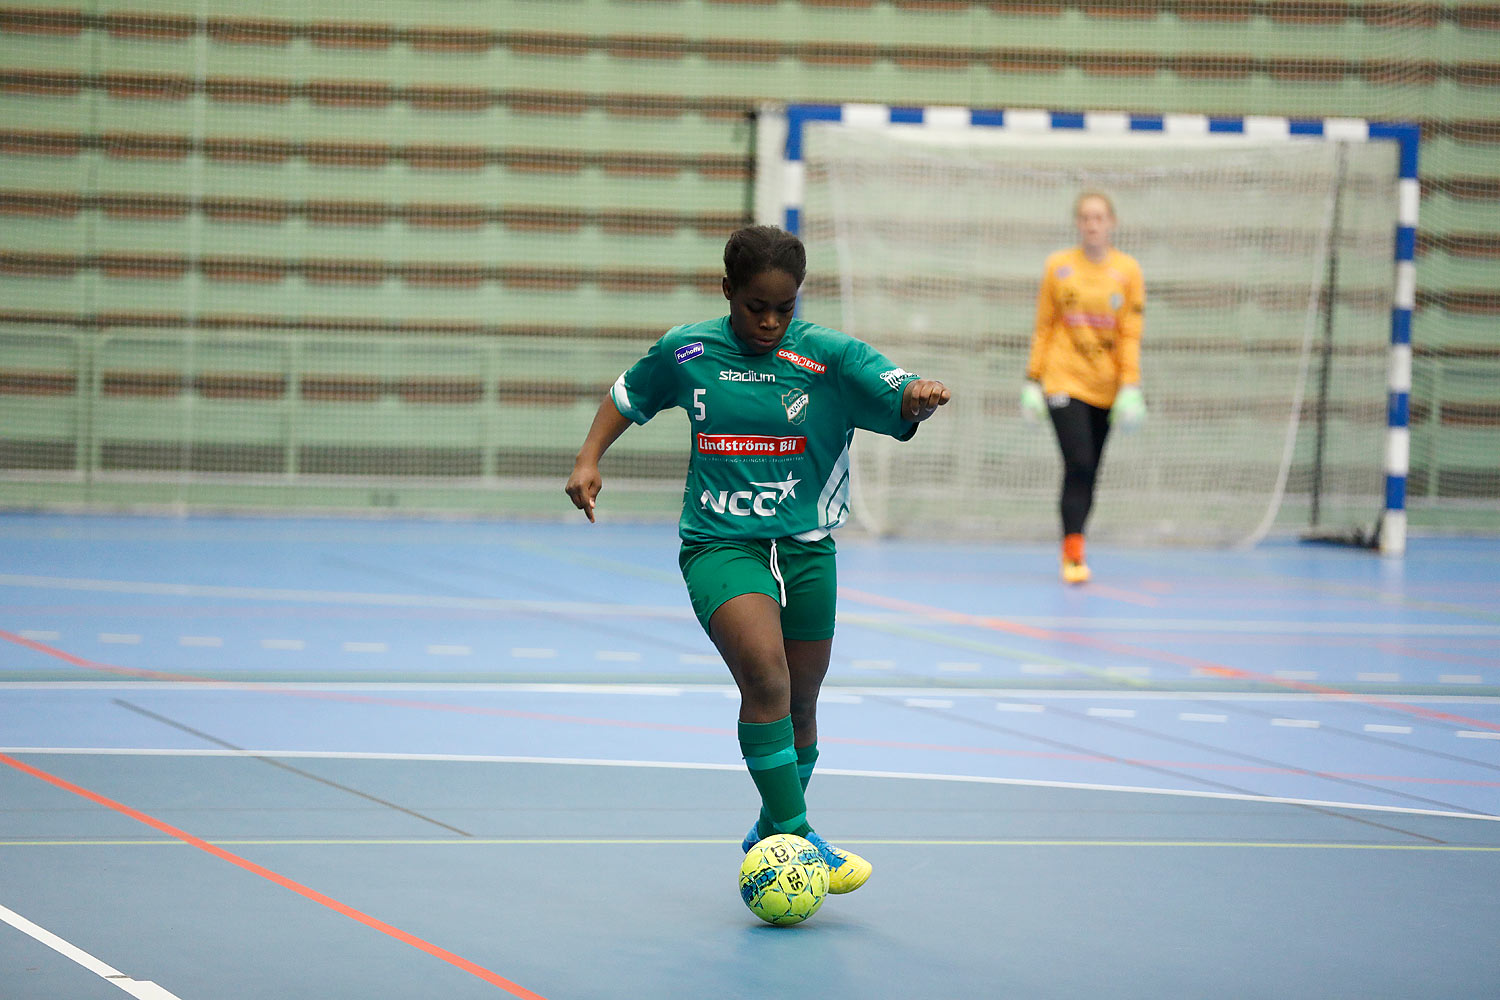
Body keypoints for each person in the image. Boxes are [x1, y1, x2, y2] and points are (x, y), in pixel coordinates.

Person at [565, 225, 950, 895]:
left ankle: (771, 825)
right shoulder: (687, 350)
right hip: (721, 542)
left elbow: (897, 390)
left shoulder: (828, 356)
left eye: (784, 307)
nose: (770, 321)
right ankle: (798, 841)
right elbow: (627, 395)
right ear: (728, 293)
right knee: (766, 678)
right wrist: (588, 458)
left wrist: (916, 397)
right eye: (755, 307)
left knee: (802, 702)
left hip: (806, 549)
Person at [1021, 191, 1146, 584]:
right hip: (1063, 378)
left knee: (1091, 471)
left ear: (1112, 223)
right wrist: (1032, 379)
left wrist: (1131, 386)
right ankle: (1072, 552)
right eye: (1086, 217)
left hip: (1106, 386)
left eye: (1099, 217)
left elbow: (1130, 333)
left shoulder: (1128, 271)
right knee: (1078, 462)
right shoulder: (1058, 267)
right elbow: (1044, 325)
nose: (1092, 224)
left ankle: (1077, 542)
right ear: (1078, 223)